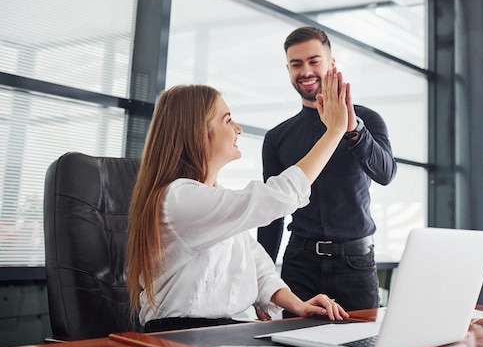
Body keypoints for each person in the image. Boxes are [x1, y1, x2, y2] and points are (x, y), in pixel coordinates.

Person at [126, 76, 351, 333]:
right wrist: (334, 132)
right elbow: (275, 198)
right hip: (178, 333)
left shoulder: (211, 198)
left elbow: (256, 265)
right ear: (198, 131)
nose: (238, 129)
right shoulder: (178, 199)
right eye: (227, 119)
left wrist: (297, 305)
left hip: (217, 331)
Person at [258, 26, 397, 317]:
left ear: (332, 64)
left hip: (355, 263)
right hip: (299, 262)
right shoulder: (277, 137)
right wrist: (263, 285)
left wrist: (353, 129)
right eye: (296, 64)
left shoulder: (367, 119)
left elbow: (385, 174)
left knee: (362, 345)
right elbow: (271, 215)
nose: (305, 70)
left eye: (314, 61)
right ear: (288, 70)